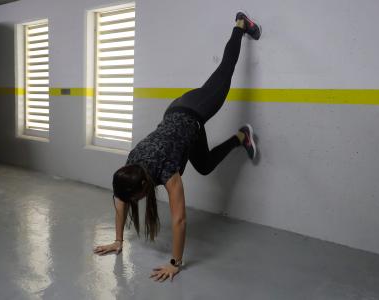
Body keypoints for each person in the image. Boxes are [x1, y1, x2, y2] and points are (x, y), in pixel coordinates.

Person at [93, 12, 262, 282]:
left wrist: (175, 263)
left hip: (195, 108)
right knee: (205, 166)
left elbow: (180, 220)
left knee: (225, 70)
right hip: (180, 121)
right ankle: (241, 138)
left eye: (133, 198)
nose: (129, 202)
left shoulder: (167, 170)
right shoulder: (131, 166)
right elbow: (120, 201)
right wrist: (117, 241)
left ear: (144, 188)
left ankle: (240, 25)